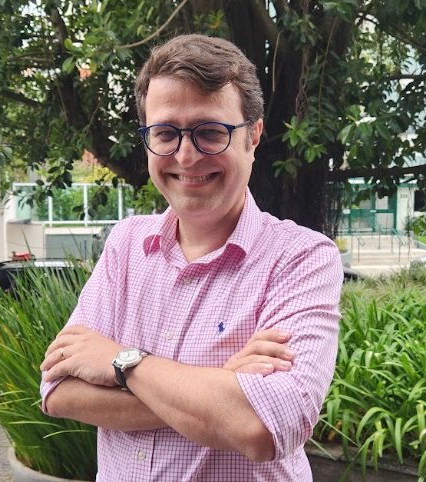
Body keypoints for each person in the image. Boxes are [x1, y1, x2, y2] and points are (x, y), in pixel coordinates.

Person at [40, 34, 343, 481]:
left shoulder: (301, 258)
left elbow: (264, 426)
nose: (185, 155)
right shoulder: (126, 244)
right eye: (165, 133)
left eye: (210, 132)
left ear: (253, 136)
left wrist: (122, 362)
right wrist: (218, 385)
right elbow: (58, 390)